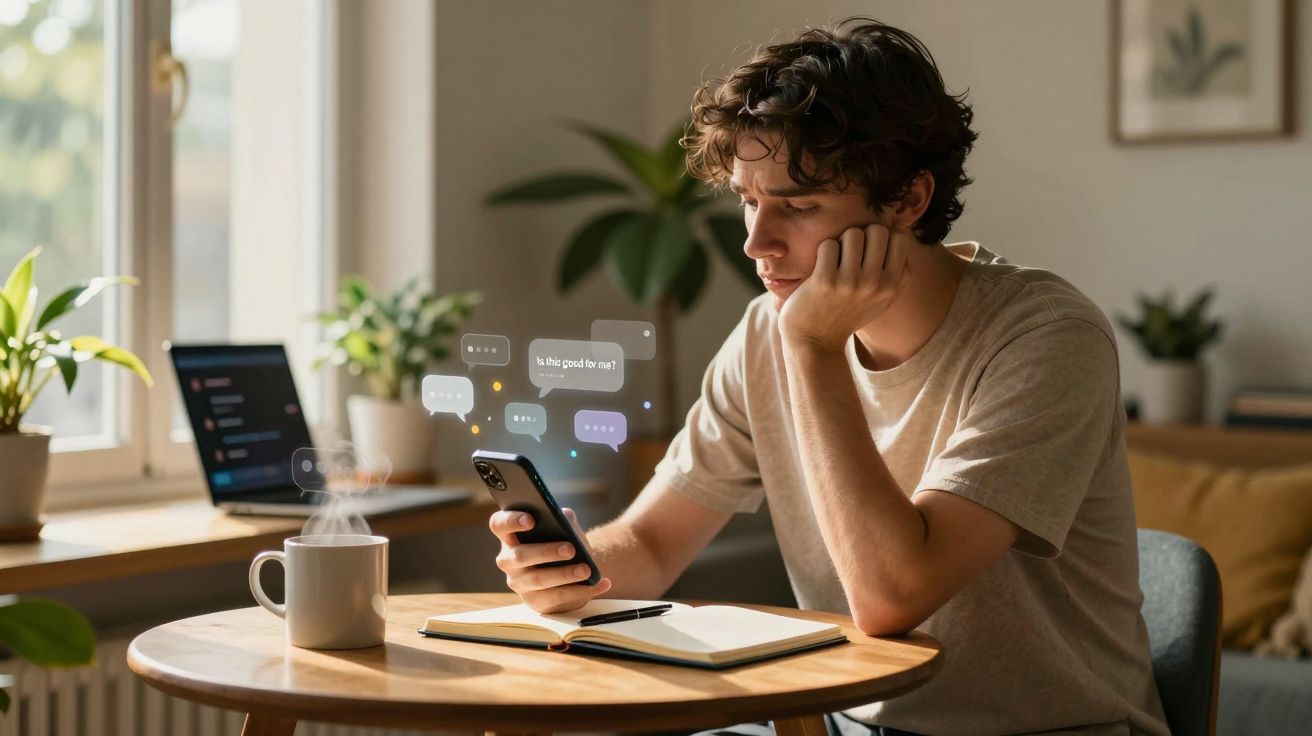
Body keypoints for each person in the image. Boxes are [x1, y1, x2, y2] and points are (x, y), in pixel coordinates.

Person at [488, 18, 1168, 736]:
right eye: (749, 199)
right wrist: (574, 566)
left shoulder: (1047, 337)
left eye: (799, 206)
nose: (755, 241)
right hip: (840, 724)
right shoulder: (765, 333)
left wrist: (813, 350)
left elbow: (892, 596)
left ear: (907, 200)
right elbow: (655, 546)